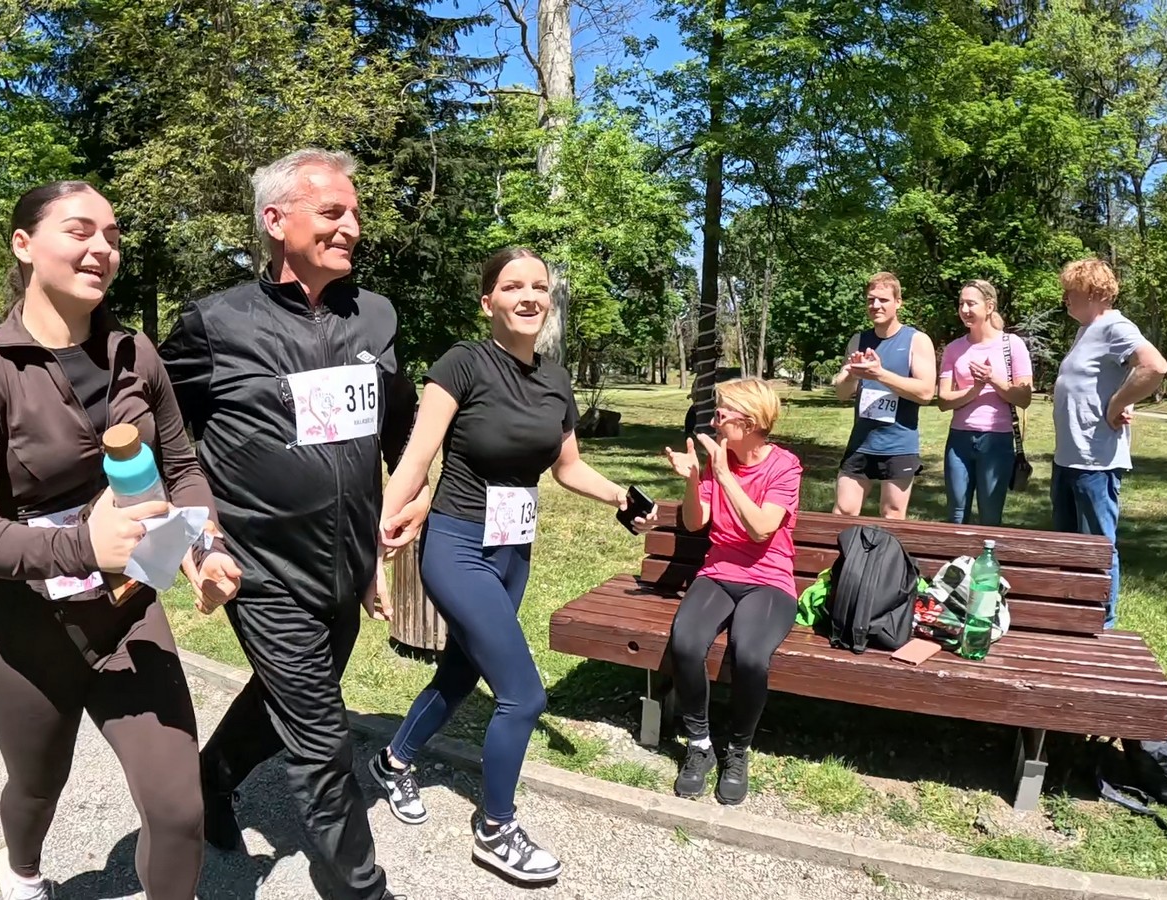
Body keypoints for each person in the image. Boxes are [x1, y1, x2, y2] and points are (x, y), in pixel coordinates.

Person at [0, 181, 239, 900]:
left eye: (112, 235)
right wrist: (84, 547)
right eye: (80, 231)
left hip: (130, 613)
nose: (102, 248)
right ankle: (20, 870)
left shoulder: (136, 353)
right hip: (28, 630)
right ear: (24, 245)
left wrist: (206, 548)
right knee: (37, 786)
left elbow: (182, 468)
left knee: (178, 811)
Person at [160, 148, 421, 900]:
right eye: (332, 211)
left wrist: (415, 492)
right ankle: (360, 888)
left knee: (290, 702)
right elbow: (156, 436)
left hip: (345, 568)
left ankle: (212, 776)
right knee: (322, 738)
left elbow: (399, 425)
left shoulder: (375, 315)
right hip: (263, 571)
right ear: (276, 221)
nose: (352, 227)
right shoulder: (215, 323)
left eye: (355, 213)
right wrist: (191, 543)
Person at [368, 248, 651, 884]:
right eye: (512, 286)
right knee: (523, 695)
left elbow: (567, 467)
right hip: (457, 546)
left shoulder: (556, 380)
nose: (529, 297)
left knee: (461, 673)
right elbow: (416, 459)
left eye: (539, 287)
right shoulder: (462, 364)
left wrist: (621, 497)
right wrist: (377, 545)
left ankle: (393, 761)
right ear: (487, 301)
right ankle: (496, 829)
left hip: (512, 550)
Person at [660, 378, 802, 805]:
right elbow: (694, 521)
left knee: (750, 655)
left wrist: (724, 475)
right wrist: (694, 479)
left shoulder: (784, 467)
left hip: (769, 580)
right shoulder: (717, 462)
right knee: (686, 642)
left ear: (750, 422)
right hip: (718, 572)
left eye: (722, 415)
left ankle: (738, 750)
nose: (714, 422)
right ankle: (699, 744)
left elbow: (761, 529)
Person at [1052, 259, 1167, 629]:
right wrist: (1121, 396)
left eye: (1071, 292)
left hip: (1095, 462)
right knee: (1070, 547)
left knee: (1099, 547)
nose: (1065, 299)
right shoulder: (1087, 330)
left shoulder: (1114, 326)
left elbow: (1154, 366)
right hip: (1069, 458)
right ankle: (1074, 615)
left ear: (1093, 293)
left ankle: (1103, 623)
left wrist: (1118, 404)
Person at [831, 272, 936, 519]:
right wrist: (851, 375)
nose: (875, 305)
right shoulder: (858, 340)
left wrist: (879, 374)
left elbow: (925, 393)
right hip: (861, 442)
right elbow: (842, 394)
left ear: (898, 302)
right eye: (871, 300)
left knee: (892, 515)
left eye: (883, 300)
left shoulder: (916, 340)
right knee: (843, 512)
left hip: (899, 443)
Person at [936, 280, 1032, 525]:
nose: (964, 310)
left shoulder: (1012, 345)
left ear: (989, 307)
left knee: (990, 516)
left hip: (997, 440)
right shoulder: (954, 349)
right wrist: (976, 389)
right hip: (959, 440)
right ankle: (959, 551)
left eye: (971, 304)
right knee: (956, 515)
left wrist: (992, 379)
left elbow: (1024, 398)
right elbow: (944, 401)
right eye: (961, 304)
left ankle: (988, 553)